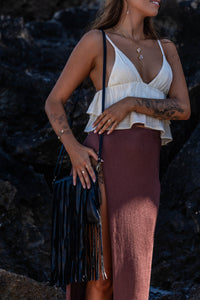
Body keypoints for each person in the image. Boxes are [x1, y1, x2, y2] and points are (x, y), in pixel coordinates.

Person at [44, 0, 191, 299]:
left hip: (144, 173)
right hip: (101, 161)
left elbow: (183, 108)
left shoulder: (167, 48)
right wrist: (73, 148)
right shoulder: (96, 40)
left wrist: (131, 103)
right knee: (100, 277)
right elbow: (53, 100)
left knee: (134, 271)